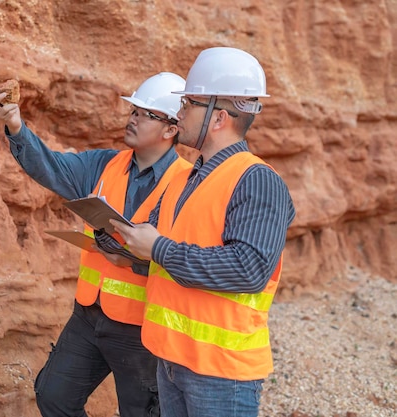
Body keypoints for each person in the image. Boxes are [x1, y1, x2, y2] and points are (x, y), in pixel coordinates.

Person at [0, 72, 193, 417]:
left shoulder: (186, 183)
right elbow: (51, 167)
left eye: (145, 114)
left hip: (141, 327)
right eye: (134, 111)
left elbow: (186, 257)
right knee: (53, 397)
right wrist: (15, 125)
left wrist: (134, 258)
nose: (133, 119)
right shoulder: (103, 165)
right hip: (89, 314)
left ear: (171, 129)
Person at [109, 47, 296, 417]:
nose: (178, 113)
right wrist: (132, 254)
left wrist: (158, 248)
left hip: (220, 373)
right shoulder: (188, 176)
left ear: (218, 118)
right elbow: (174, 250)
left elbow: (248, 269)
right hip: (172, 359)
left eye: (188, 103)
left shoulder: (257, 181)